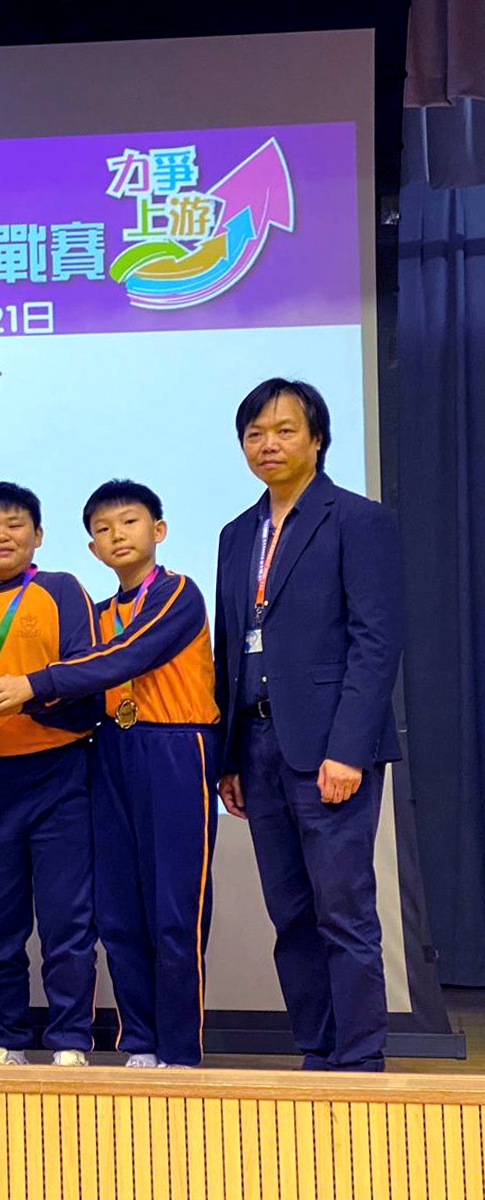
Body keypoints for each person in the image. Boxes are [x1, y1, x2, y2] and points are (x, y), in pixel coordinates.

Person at [0, 480, 220, 1067]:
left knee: (175, 907)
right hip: (110, 748)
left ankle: (179, 1049)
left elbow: (124, 658)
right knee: (118, 911)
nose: (117, 536)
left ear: (158, 530)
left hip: (174, 747)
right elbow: (87, 680)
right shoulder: (100, 611)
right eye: (103, 529)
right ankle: (140, 1040)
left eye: (129, 522)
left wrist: (32, 684)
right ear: (91, 547)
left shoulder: (178, 593)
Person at [213, 379, 402, 1072]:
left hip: (329, 749)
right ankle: (317, 1054)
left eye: (285, 430)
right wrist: (230, 757)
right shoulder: (237, 534)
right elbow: (231, 647)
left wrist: (348, 749)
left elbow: (375, 642)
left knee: (342, 911)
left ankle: (360, 1061)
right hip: (257, 745)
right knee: (290, 915)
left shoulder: (358, 520)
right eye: (255, 434)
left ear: (317, 438)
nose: (269, 444)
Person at [0, 482, 100, 1066]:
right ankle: (3, 1038)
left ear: (38, 535)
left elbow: (88, 682)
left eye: (15, 524)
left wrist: (26, 696)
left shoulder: (61, 590)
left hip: (60, 773)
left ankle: (70, 1040)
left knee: (67, 918)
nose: (1, 535)